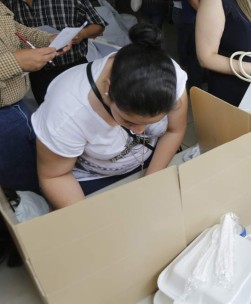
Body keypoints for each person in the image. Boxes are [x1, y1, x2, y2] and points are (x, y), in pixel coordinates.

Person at [32, 23, 188, 209]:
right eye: (129, 121)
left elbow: (174, 130)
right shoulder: (66, 112)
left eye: (152, 122)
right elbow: (55, 176)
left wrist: (150, 181)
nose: (141, 131)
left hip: (149, 160)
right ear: (108, 87)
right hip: (95, 179)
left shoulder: (168, 75)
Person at [0, 0, 60, 193]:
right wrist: (14, 63)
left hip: (18, 105)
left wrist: (43, 39)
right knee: (23, 192)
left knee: (40, 176)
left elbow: (9, 26)